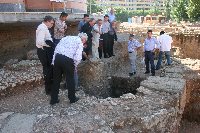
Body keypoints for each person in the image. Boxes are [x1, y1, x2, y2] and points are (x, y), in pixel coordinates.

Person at [50, 33, 88, 105]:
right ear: (83, 39)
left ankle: (53, 100)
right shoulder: (79, 42)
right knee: (70, 79)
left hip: (57, 58)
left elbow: (56, 49)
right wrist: (75, 66)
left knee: (56, 80)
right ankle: (72, 99)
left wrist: (53, 62)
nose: (84, 43)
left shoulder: (66, 37)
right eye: (84, 41)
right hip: (68, 60)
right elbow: (78, 57)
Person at [36, 16, 55, 95]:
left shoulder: (43, 27)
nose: (52, 25)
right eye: (51, 23)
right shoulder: (43, 28)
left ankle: (49, 88)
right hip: (44, 51)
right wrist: (50, 44)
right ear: (47, 21)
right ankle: (49, 90)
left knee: (48, 69)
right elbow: (40, 41)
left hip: (44, 51)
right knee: (47, 70)